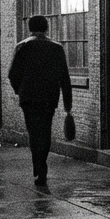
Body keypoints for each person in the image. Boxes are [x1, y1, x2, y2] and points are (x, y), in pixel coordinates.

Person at [8, 15, 73, 187]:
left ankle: (38, 166)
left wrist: (19, 90)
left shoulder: (22, 46)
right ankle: (42, 166)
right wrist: (68, 104)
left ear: (30, 27)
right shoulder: (56, 48)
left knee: (33, 132)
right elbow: (64, 78)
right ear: (46, 27)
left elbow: (12, 74)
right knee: (45, 130)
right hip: (49, 97)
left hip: (28, 97)